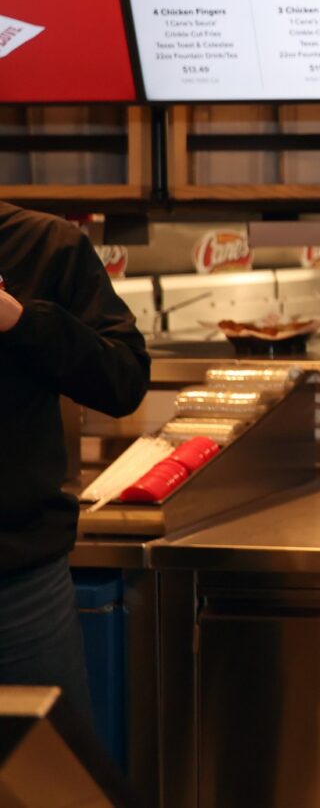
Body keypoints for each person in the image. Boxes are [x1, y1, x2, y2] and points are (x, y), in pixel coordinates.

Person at [0, 202, 150, 733]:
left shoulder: (45, 244)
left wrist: (19, 320)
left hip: (17, 592)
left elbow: (124, 380)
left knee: (48, 781)